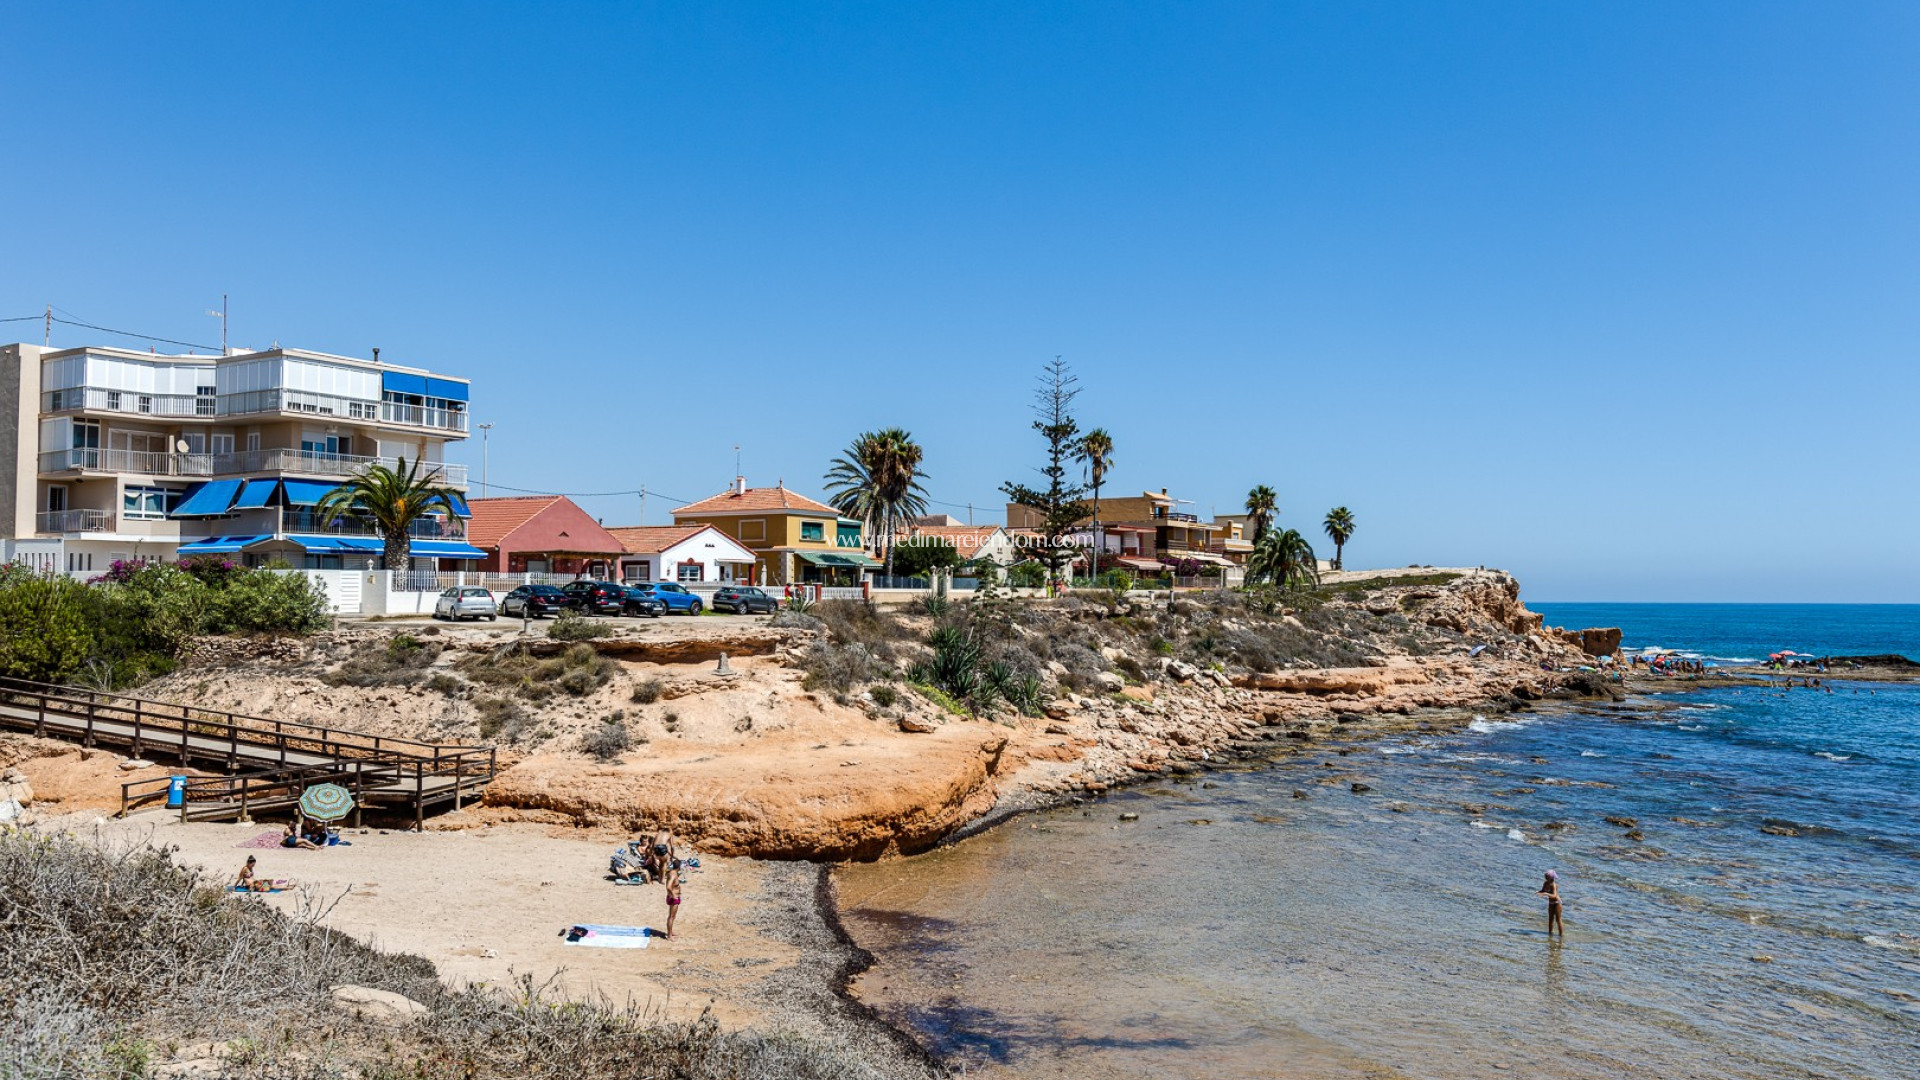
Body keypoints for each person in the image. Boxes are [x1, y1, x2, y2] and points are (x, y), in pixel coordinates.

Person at [1538, 870, 1564, 939]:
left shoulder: (1553, 885)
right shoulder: (1545, 883)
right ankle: (1550, 934)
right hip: (1551, 903)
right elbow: (1543, 890)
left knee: (1558, 920)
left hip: (1557, 903)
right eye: (1545, 876)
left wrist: (1546, 894)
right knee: (1550, 919)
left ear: (1551, 878)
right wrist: (1539, 892)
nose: (1545, 877)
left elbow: (1554, 895)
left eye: (1547, 876)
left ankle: (1561, 936)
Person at [663, 860, 683, 939]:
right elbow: (668, 886)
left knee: (672, 917)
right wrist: (673, 895)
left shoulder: (672, 872)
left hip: (672, 897)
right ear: (679, 867)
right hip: (674, 898)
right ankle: (669, 936)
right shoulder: (674, 875)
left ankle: (670, 932)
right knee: (671, 917)